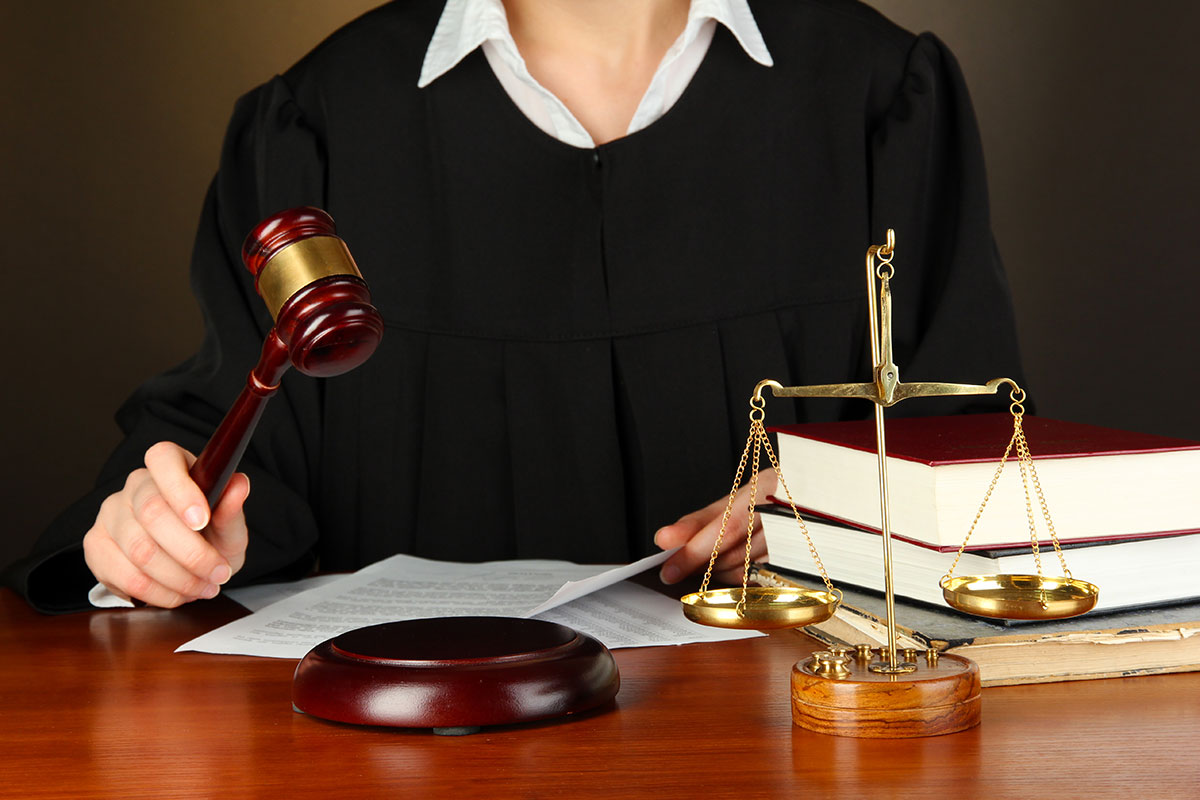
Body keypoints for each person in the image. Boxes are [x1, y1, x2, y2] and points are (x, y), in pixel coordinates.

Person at [5, 0, 1026, 613]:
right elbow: (228, 461)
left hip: (793, 753)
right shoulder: (320, 127)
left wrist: (842, 509)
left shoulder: (879, 103)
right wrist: (154, 536)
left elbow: (976, 450)